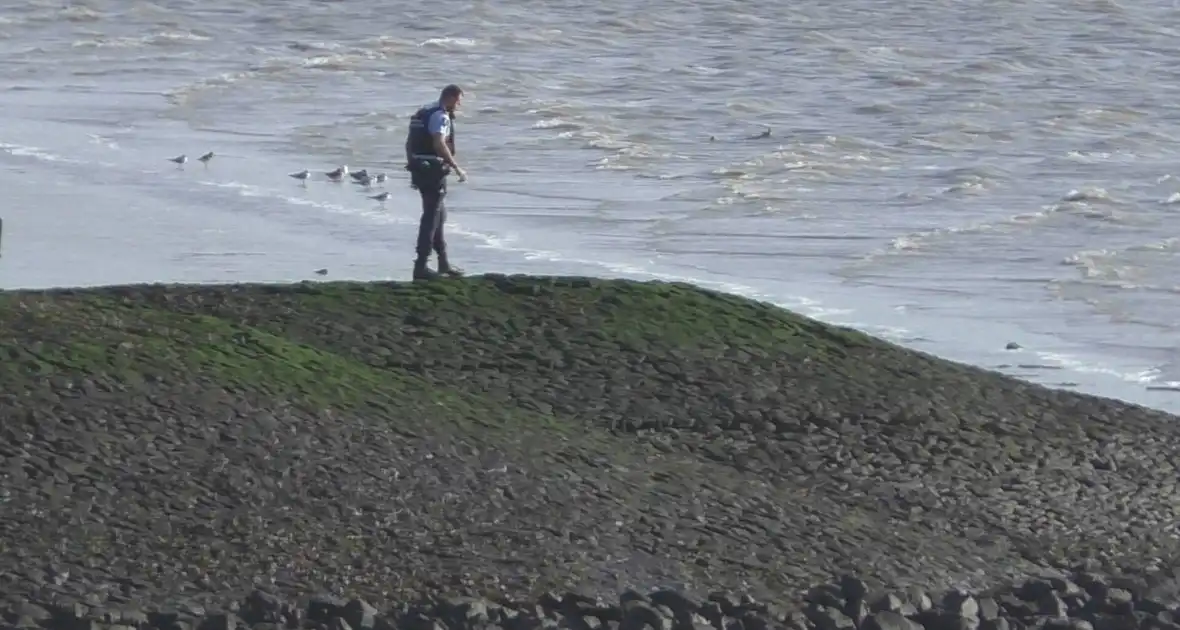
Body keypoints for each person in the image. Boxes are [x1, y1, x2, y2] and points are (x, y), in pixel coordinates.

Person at [404, 84, 468, 280]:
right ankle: (421, 266)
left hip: (420, 167)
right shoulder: (440, 116)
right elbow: (439, 143)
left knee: (439, 214)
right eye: (458, 101)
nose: (458, 105)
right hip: (433, 170)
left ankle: (443, 263)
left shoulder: (423, 111)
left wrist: (411, 164)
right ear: (449, 97)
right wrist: (456, 167)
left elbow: (408, 142)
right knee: (432, 217)